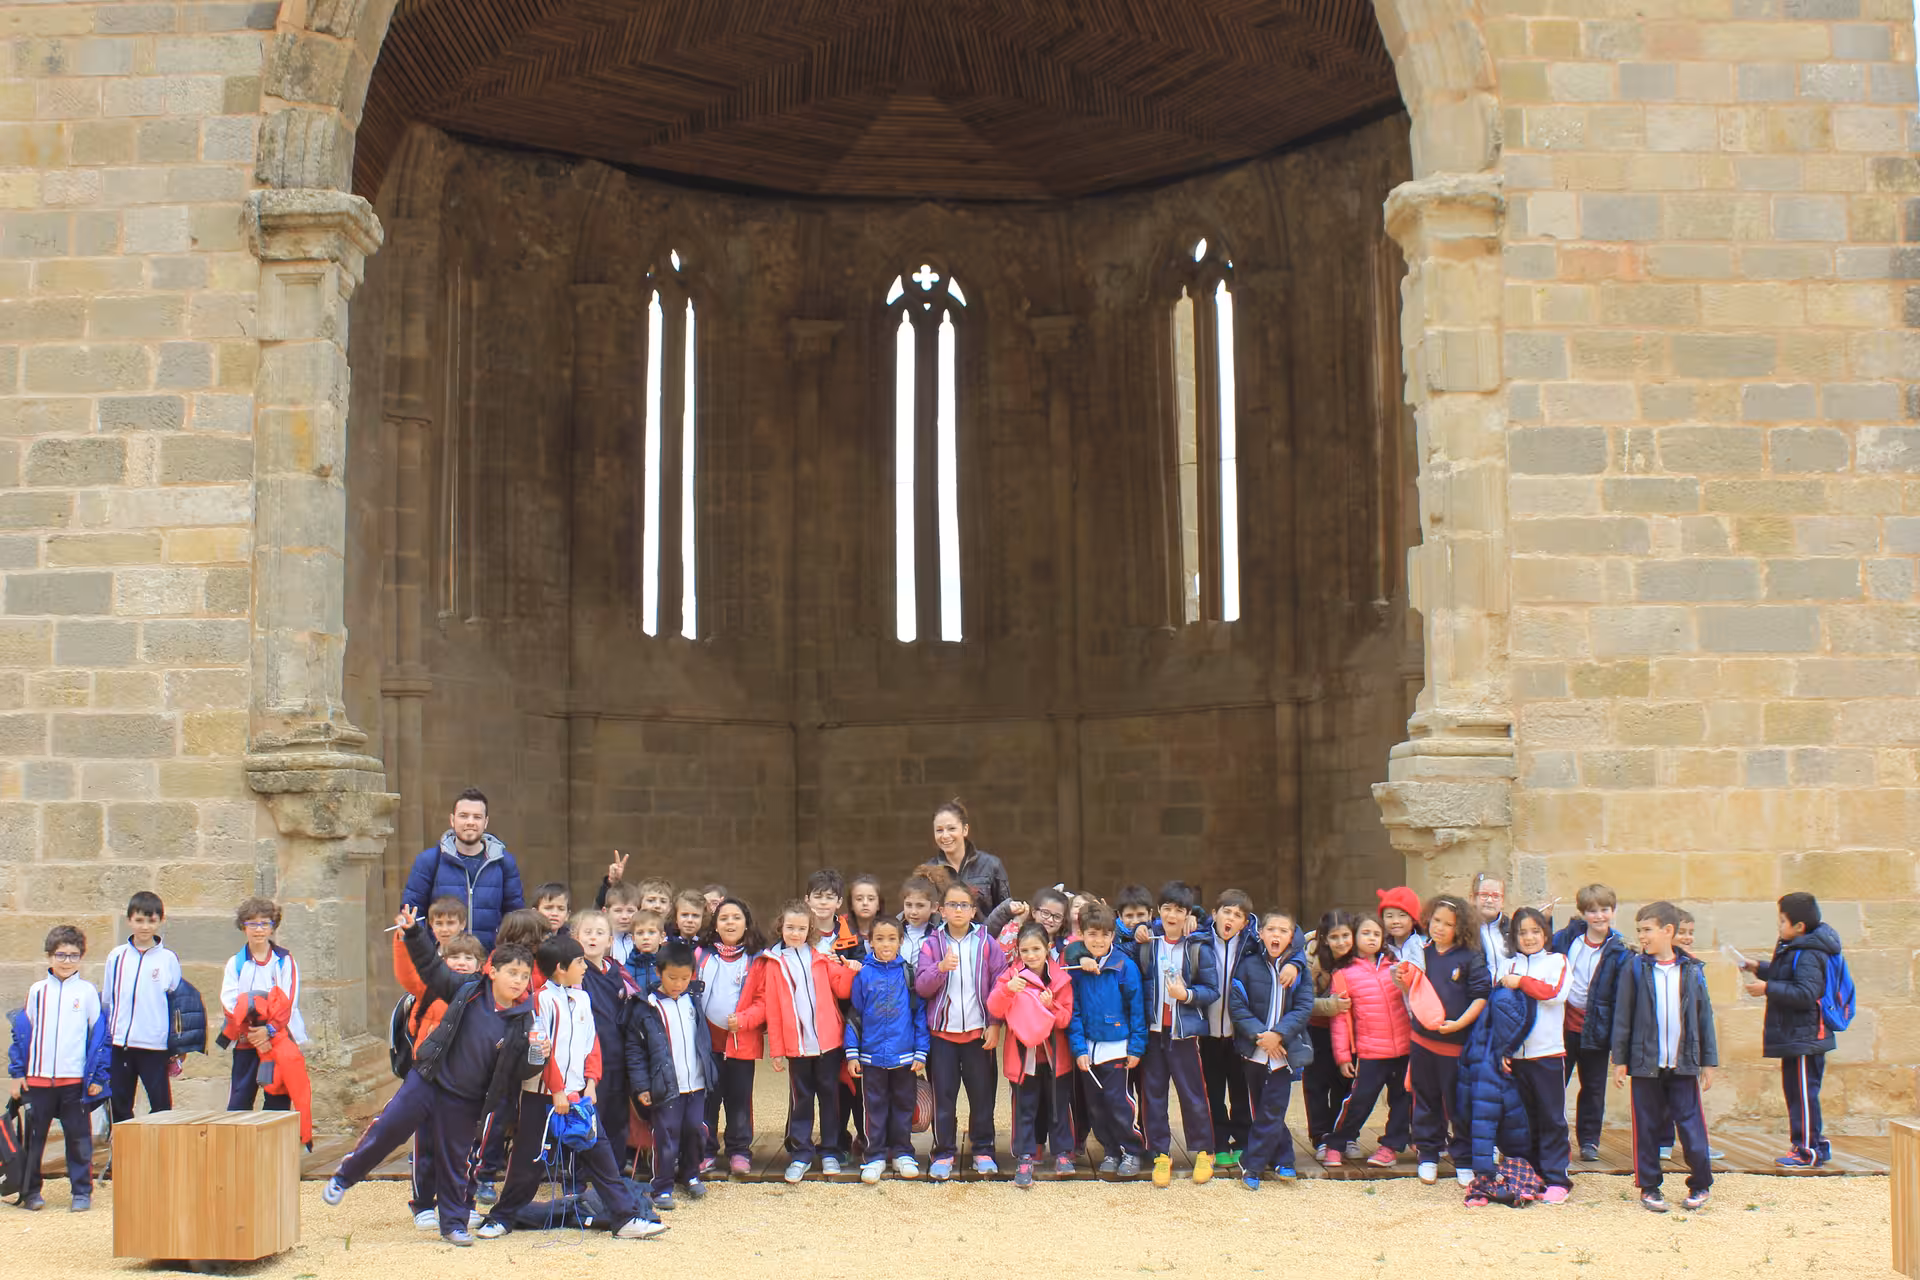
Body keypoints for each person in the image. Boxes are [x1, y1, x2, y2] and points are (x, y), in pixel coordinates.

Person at [327, 911, 661, 1246]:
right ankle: (348, 1178)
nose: (518, 981)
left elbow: (552, 1058)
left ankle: (456, 1224)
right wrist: (414, 934)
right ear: (493, 971)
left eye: (524, 975)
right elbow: (430, 969)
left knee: (462, 1159)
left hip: (491, 1097)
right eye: (512, 973)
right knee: (394, 1130)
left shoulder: (535, 1012)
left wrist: (563, 1068)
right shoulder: (480, 993)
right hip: (446, 1082)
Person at [480, 933, 662, 1239]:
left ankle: (624, 1218)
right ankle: (501, 1217)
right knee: (529, 1159)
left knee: (601, 1156)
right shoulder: (541, 1000)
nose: (585, 966)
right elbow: (543, 1050)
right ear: (561, 968)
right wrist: (557, 1090)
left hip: (578, 1094)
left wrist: (591, 1082)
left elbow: (592, 1043)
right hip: (542, 1096)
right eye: (579, 961)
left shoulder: (583, 998)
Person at [735, 900, 858, 1183]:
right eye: (790, 927)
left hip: (828, 1044)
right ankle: (801, 1154)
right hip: (797, 1046)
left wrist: (849, 969)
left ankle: (830, 1151)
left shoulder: (821, 957)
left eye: (801, 928)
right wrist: (777, 1050)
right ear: (781, 927)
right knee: (801, 1101)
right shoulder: (773, 963)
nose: (795, 933)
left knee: (830, 1098)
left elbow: (843, 989)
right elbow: (773, 1010)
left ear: (809, 930)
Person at [1612, 901, 1717, 1214]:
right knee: (1646, 1127)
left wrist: (1708, 1061)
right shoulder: (1634, 968)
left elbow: (1704, 1017)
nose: (1642, 936)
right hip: (1646, 1066)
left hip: (1683, 1064)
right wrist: (1620, 1060)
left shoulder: (1692, 970)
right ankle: (1649, 1187)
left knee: (1691, 1126)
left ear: (1668, 931)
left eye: (1648, 929)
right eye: (1639, 930)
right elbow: (1623, 1016)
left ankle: (1700, 1183)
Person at [8, 925, 110, 1212]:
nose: (67, 961)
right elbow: (22, 1034)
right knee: (34, 1139)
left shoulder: (86, 992)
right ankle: (31, 1192)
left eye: (73, 955)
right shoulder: (37, 991)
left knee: (78, 1139)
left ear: (81, 957)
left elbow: (100, 1037)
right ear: (49, 956)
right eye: (61, 955)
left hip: (73, 1082)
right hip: (38, 1081)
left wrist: (98, 1076)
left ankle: (81, 1192)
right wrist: (17, 1073)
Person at [392, 926, 485, 1230]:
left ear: (480, 964)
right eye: (454, 956)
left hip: (466, 1082)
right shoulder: (429, 988)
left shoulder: (482, 996)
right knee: (426, 1145)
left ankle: (464, 1202)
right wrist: (402, 939)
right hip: (430, 1078)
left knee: (466, 1148)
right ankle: (422, 1205)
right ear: (442, 960)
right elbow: (406, 973)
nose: (461, 962)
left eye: (468, 958)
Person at [1742, 890, 1843, 1168]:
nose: (1779, 926)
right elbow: (1787, 975)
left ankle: (1806, 1151)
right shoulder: (1797, 946)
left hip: (1805, 1038)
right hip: (1797, 1036)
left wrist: (1767, 988)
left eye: (1782, 921)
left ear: (1799, 926)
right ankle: (1814, 1145)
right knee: (1799, 1094)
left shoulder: (1808, 953)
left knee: (1802, 1096)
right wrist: (1758, 967)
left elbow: (1805, 993)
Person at [914, 882, 1007, 1180]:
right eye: (952, 905)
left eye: (963, 905)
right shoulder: (931, 944)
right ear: (941, 911)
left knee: (982, 1097)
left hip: (978, 1035)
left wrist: (994, 1023)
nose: (958, 910)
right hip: (942, 1036)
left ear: (973, 911)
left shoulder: (986, 943)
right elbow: (922, 987)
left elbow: (1001, 983)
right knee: (944, 1098)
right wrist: (940, 968)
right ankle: (943, 1153)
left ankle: (983, 1150)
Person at [1399, 895, 1487, 1186]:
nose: (1439, 927)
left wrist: (1460, 1023)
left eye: (1448, 924)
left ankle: (1464, 1158)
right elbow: (1411, 988)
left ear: (1460, 927)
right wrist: (1400, 978)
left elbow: (1481, 995)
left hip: (1456, 1044)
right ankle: (1428, 1154)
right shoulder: (1422, 952)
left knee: (1459, 1104)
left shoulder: (1470, 956)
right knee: (1425, 1099)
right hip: (1422, 1041)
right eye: (1436, 920)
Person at [1137, 880, 1219, 1188]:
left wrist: (1187, 995)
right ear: (1158, 910)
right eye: (1167, 909)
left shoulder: (1198, 947)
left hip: (1184, 1032)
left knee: (1192, 1093)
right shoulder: (1147, 943)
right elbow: (1118, 941)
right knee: (1153, 1094)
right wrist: (1138, 929)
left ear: (1188, 914)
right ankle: (1160, 1152)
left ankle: (1204, 1151)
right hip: (1154, 1030)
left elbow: (1211, 990)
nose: (1172, 915)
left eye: (1179, 910)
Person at [1229, 909, 1313, 1190]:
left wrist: (1278, 1035)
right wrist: (1260, 1035)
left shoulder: (1299, 971)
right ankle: (1284, 1158)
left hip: (1283, 1052)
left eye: (1283, 931)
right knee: (1263, 1109)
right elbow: (1237, 1007)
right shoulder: (1247, 966)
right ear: (1261, 934)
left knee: (1273, 1108)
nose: (1276, 935)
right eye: (1271, 929)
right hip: (1255, 1051)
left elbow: (1303, 1007)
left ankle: (1252, 1165)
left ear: (1292, 937)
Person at [987, 923, 1074, 1187]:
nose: (1031, 955)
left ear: (1048, 948)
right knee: (1024, 1107)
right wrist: (1007, 989)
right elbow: (995, 1008)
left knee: (1058, 1106)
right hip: (1023, 1056)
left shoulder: (1060, 978)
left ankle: (1062, 1153)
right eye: (1025, 950)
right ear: (1018, 951)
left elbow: (1065, 1019)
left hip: (1054, 1056)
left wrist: (1051, 1005)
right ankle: (1025, 1157)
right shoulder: (1012, 976)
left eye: (1036, 949)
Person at [1324, 913, 1412, 1168]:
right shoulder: (1344, 973)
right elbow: (1340, 1019)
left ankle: (1389, 1147)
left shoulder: (1396, 966)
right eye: (1365, 933)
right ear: (1354, 937)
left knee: (1403, 1100)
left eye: (1376, 933)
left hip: (1404, 1049)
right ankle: (1337, 1143)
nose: (1372, 938)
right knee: (1359, 1101)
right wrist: (1343, 1056)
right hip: (1371, 1051)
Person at [1067, 900, 1145, 1178]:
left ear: (1113, 935)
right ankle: (1110, 1150)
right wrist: (1078, 1049)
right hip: (1089, 1049)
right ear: (1082, 935)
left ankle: (1131, 1150)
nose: (1098, 940)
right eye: (1092, 934)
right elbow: (1073, 1012)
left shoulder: (1124, 966)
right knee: (1096, 1105)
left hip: (1118, 1047)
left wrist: (1136, 1046)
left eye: (1104, 934)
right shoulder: (1076, 969)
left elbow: (1137, 1009)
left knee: (1119, 1102)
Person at [845, 917, 927, 1183]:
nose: (886, 944)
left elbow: (919, 1015)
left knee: (904, 1105)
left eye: (892, 938)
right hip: (871, 1057)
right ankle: (875, 1156)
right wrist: (852, 1052)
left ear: (901, 941)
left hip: (904, 1056)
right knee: (875, 1108)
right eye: (879, 939)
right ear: (870, 942)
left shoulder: (909, 973)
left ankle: (903, 1153)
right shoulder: (863, 974)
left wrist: (921, 1051)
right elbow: (855, 1014)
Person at [1499, 906, 1572, 1202]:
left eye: (1535, 931)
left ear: (1545, 933)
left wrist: (1521, 982)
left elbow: (1554, 993)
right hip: (1515, 1058)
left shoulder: (1557, 961)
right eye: (1522, 932)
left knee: (1552, 1117)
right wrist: (1502, 1049)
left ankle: (1557, 1178)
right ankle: (1529, 1173)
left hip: (1548, 1054)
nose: (1529, 938)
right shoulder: (1506, 965)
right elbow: (1498, 1010)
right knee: (1522, 1119)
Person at [1552, 882, 1628, 1163]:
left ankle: (1589, 1141)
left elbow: (1620, 996)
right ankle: (1553, 1137)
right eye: (1592, 911)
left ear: (1613, 911)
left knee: (1593, 1088)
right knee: (1555, 1083)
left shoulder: (1619, 950)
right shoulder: (1567, 940)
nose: (1599, 916)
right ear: (1583, 913)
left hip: (1596, 1026)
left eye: (1605, 910)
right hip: (1563, 1025)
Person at [401, 788, 526, 950]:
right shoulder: (429, 861)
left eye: (477, 817)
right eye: (464, 816)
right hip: (442, 960)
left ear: (486, 822)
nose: (470, 822)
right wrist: (428, 954)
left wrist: (504, 955)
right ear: (452, 820)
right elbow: (412, 914)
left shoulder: (504, 862)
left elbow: (515, 917)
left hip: (490, 960)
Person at [643, 940, 716, 1210]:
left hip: (695, 1082)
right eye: (672, 978)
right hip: (666, 1085)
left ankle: (690, 1173)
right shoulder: (648, 1005)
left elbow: (702, 1038)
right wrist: (642, 1085)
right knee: (666, 1134)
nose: (678, 984)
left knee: (695, 1129)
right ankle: (661, 1186)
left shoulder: (692, 1000)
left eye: (685, 978)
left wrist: (708, 1071)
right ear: (659, 972)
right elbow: (637, 1049)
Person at [698, 897, 766, 1176]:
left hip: (741, 1042)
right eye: (724, 918)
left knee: (739, 1100)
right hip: (707, 1043)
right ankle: (705, 1150)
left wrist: (745, 1020)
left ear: (746, 923)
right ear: (715, 924)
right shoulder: (701, 956)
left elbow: (764, 1001)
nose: (730, 923)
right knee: (707, 1100)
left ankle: (739, 1150)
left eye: (736, 917)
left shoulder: (757, 959)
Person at [101, 890, 182, 1122]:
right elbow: (108, 999)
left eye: (151, 920)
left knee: (161, 1106)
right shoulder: (116, 957)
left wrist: (176, 1045)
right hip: (121, 1044)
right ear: (129, 920)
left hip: (154, 1045)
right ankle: (121, 1145)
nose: (145, 927)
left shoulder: (168, 959)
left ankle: (161, 1146)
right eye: (139, 920)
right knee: (120, 1105)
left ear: (160, 921)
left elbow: (175, 1003)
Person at [220, 895, 305, 1112]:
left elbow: (288, 1002)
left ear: (272, 927)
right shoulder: (236, 963)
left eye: (264, 924)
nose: (259, 930)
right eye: (252, 924)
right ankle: (240, 1136)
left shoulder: (284, 961)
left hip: (278, 1038)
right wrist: (253, 1034)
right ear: (243, 926)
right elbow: (229, 1002)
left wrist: (269, 1031)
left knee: (277, 1100)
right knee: (240, 1100)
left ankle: (274, 1136)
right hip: (247, 1040)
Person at [573, 909, 640, 1176]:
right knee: (587, 1114)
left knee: (616, 1114)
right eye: (587, 932)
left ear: (610, 940)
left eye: (600, 933)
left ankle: (614, 1171)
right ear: (576, 937)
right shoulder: (573, 973)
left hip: (616, 1053)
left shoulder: (618, 972)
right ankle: (580, 1173)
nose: (593, 937)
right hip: (587, 1056)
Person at [1199, 888, 1258, 1168]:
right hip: (1208, 1031)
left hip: (1239, 1032)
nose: (1230, 918)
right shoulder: (1199, 940)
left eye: (1238, 915)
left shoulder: (1252, 945)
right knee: (1213, 1090)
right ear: (1214, 914)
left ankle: (1243, 1140)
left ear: (1245, 922)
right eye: (1226, 912)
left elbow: (1292, 934)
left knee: (1240, 1088)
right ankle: (1219, 1141)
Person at [1305, 910, 1356, 1160]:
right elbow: (1302, 1000)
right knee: (1316, 1082)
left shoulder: (1360, 956)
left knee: (1345, 1082)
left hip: (1350, 1029)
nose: (1341, 942)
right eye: (1334, 937)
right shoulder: (1310, 957)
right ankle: (1321, 1136)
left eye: (1345, 936)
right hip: (1318, 1026)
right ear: (1324, 938)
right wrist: (1331, 1006)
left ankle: (1344, 1134)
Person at [930, 798, 1011, 915]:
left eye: (951, 828)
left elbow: (1006, 911)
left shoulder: (991, 865)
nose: (945, 835)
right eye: (939, 830)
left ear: (965, 830)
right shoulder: (928, 871)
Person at [1377, 886, 1426, 966]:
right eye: (1389, 916)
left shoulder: (1425, 946)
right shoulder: (1379, 948)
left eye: (1402, 915)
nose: (1395, 921)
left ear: (1414, 919)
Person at [605, 882, 642, 965]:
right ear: (606, 912)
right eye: (618, 911)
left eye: (630, 911)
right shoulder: (600, 941)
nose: (624, 916)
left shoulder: (645, 940)